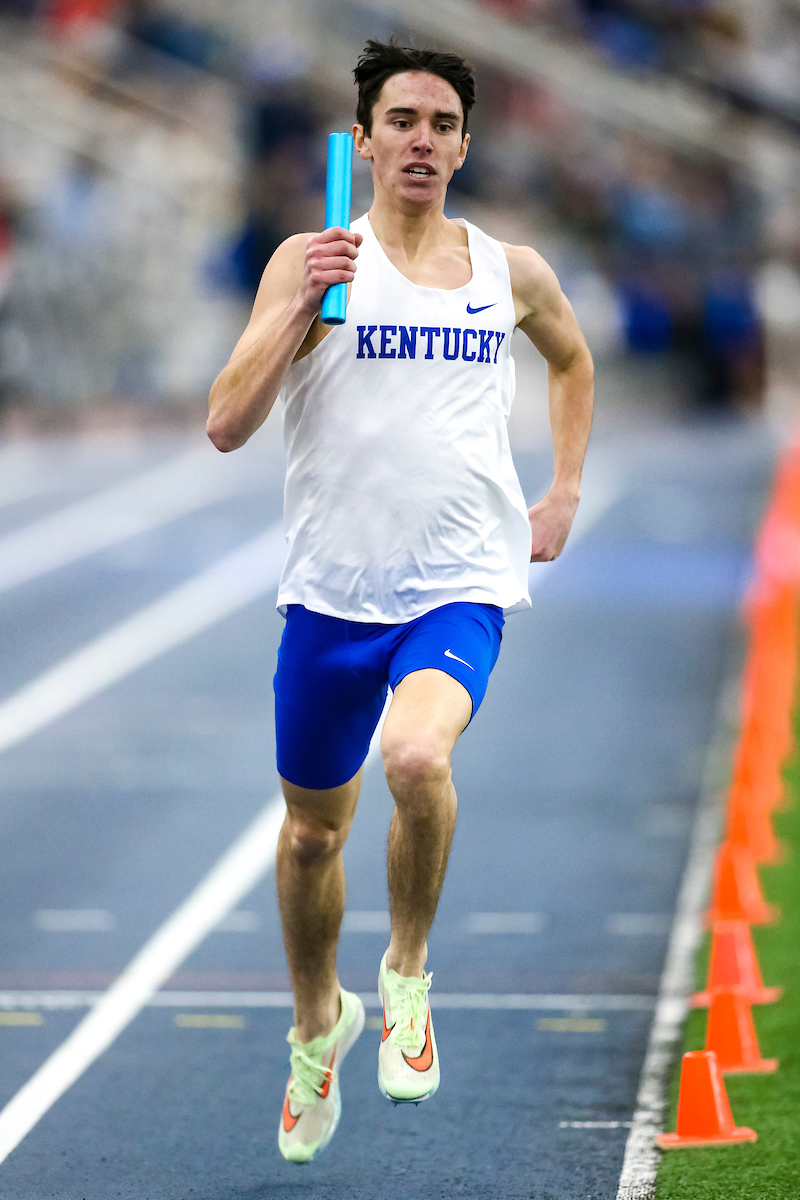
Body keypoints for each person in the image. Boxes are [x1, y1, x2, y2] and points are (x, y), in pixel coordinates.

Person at [207, 38, 594, 1164]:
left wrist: (562, 487)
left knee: (417, 760)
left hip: (459, 582)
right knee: (309, 839)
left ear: (464, 146)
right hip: (330, 596)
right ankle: (315, 1021)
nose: (419, 139)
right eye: (400, 121)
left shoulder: (505, 270)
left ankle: (407, 975)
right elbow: (226, 423)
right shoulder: (308, 259)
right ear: (364, 140)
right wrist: (300, 312)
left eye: (439, 123)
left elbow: (570, 362)